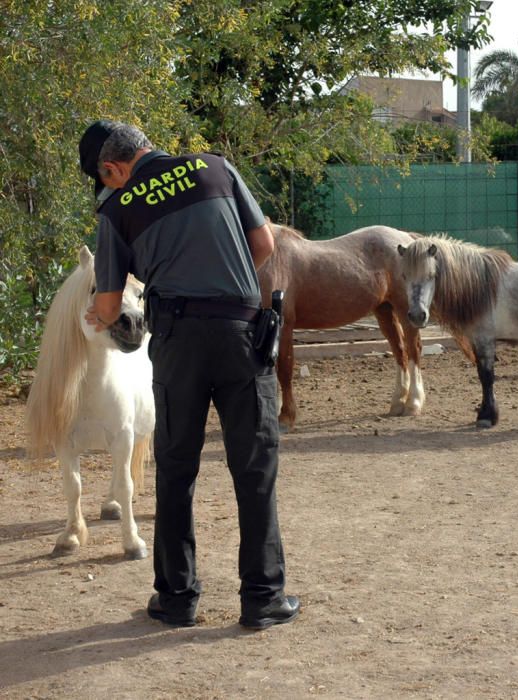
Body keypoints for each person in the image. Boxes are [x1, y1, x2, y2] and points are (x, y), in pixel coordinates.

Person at [78, 120, 299, 630]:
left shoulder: (116, 210)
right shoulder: (216, 168)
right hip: (242, 331)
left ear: (113, 168)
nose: (107, 187)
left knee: (177, 469)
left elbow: (110, 304)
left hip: (177, 342)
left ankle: (176, 599)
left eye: (104, 179)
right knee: (254, 467)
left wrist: (100, 315)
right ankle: (263, 598)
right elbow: (263, 244)